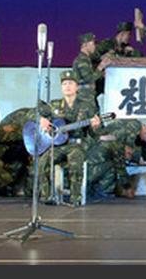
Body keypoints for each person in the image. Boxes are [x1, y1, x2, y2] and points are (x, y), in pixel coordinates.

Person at [38, 70, 104, 206]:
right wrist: (41, 120)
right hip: (59, 145)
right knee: (43, 161)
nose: (67, 86)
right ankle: (47, 195)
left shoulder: (87, 106)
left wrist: (96, 126)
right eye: (64, 84)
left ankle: (75, 197)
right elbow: (35, 112)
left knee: (75, 159)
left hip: (77, 144)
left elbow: (95, 134)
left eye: (71, 83)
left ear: (77, 87)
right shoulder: (54, 105)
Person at [74, 33, 108, 110]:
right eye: (92, 44)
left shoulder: (87, 59)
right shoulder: (82, 60)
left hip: (88, 97)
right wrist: (101, 67)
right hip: (84, 98)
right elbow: (88, 79)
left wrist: (101, 74)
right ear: (85, 45)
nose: (94, 46)